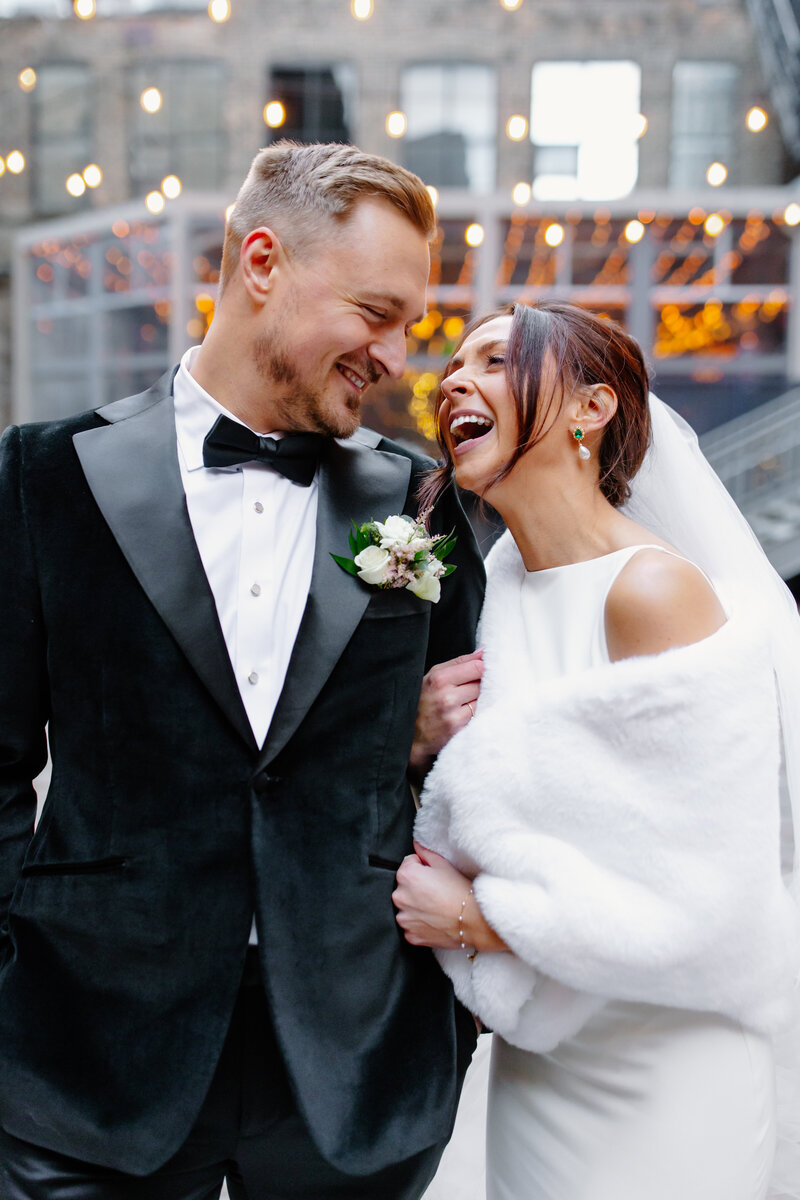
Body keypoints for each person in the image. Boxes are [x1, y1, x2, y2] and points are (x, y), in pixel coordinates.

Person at [0, 141, 487, 1200]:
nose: (397, 356)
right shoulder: (42, 473)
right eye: (375, 312)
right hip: (86, 1065)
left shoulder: (417, 500)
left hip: (357, 1071)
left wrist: (458, 1012)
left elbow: (484, 756)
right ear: (261, 262)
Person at [392, 301, 800, 1200]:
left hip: (668, 1070)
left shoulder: (653, 592)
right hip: (547, 1069)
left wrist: (477, 921)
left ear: (591, 409)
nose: (456, 380)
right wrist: (412, 743)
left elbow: (712, 908)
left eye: (496, 361)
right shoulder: (496, 587)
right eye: (454, 365)